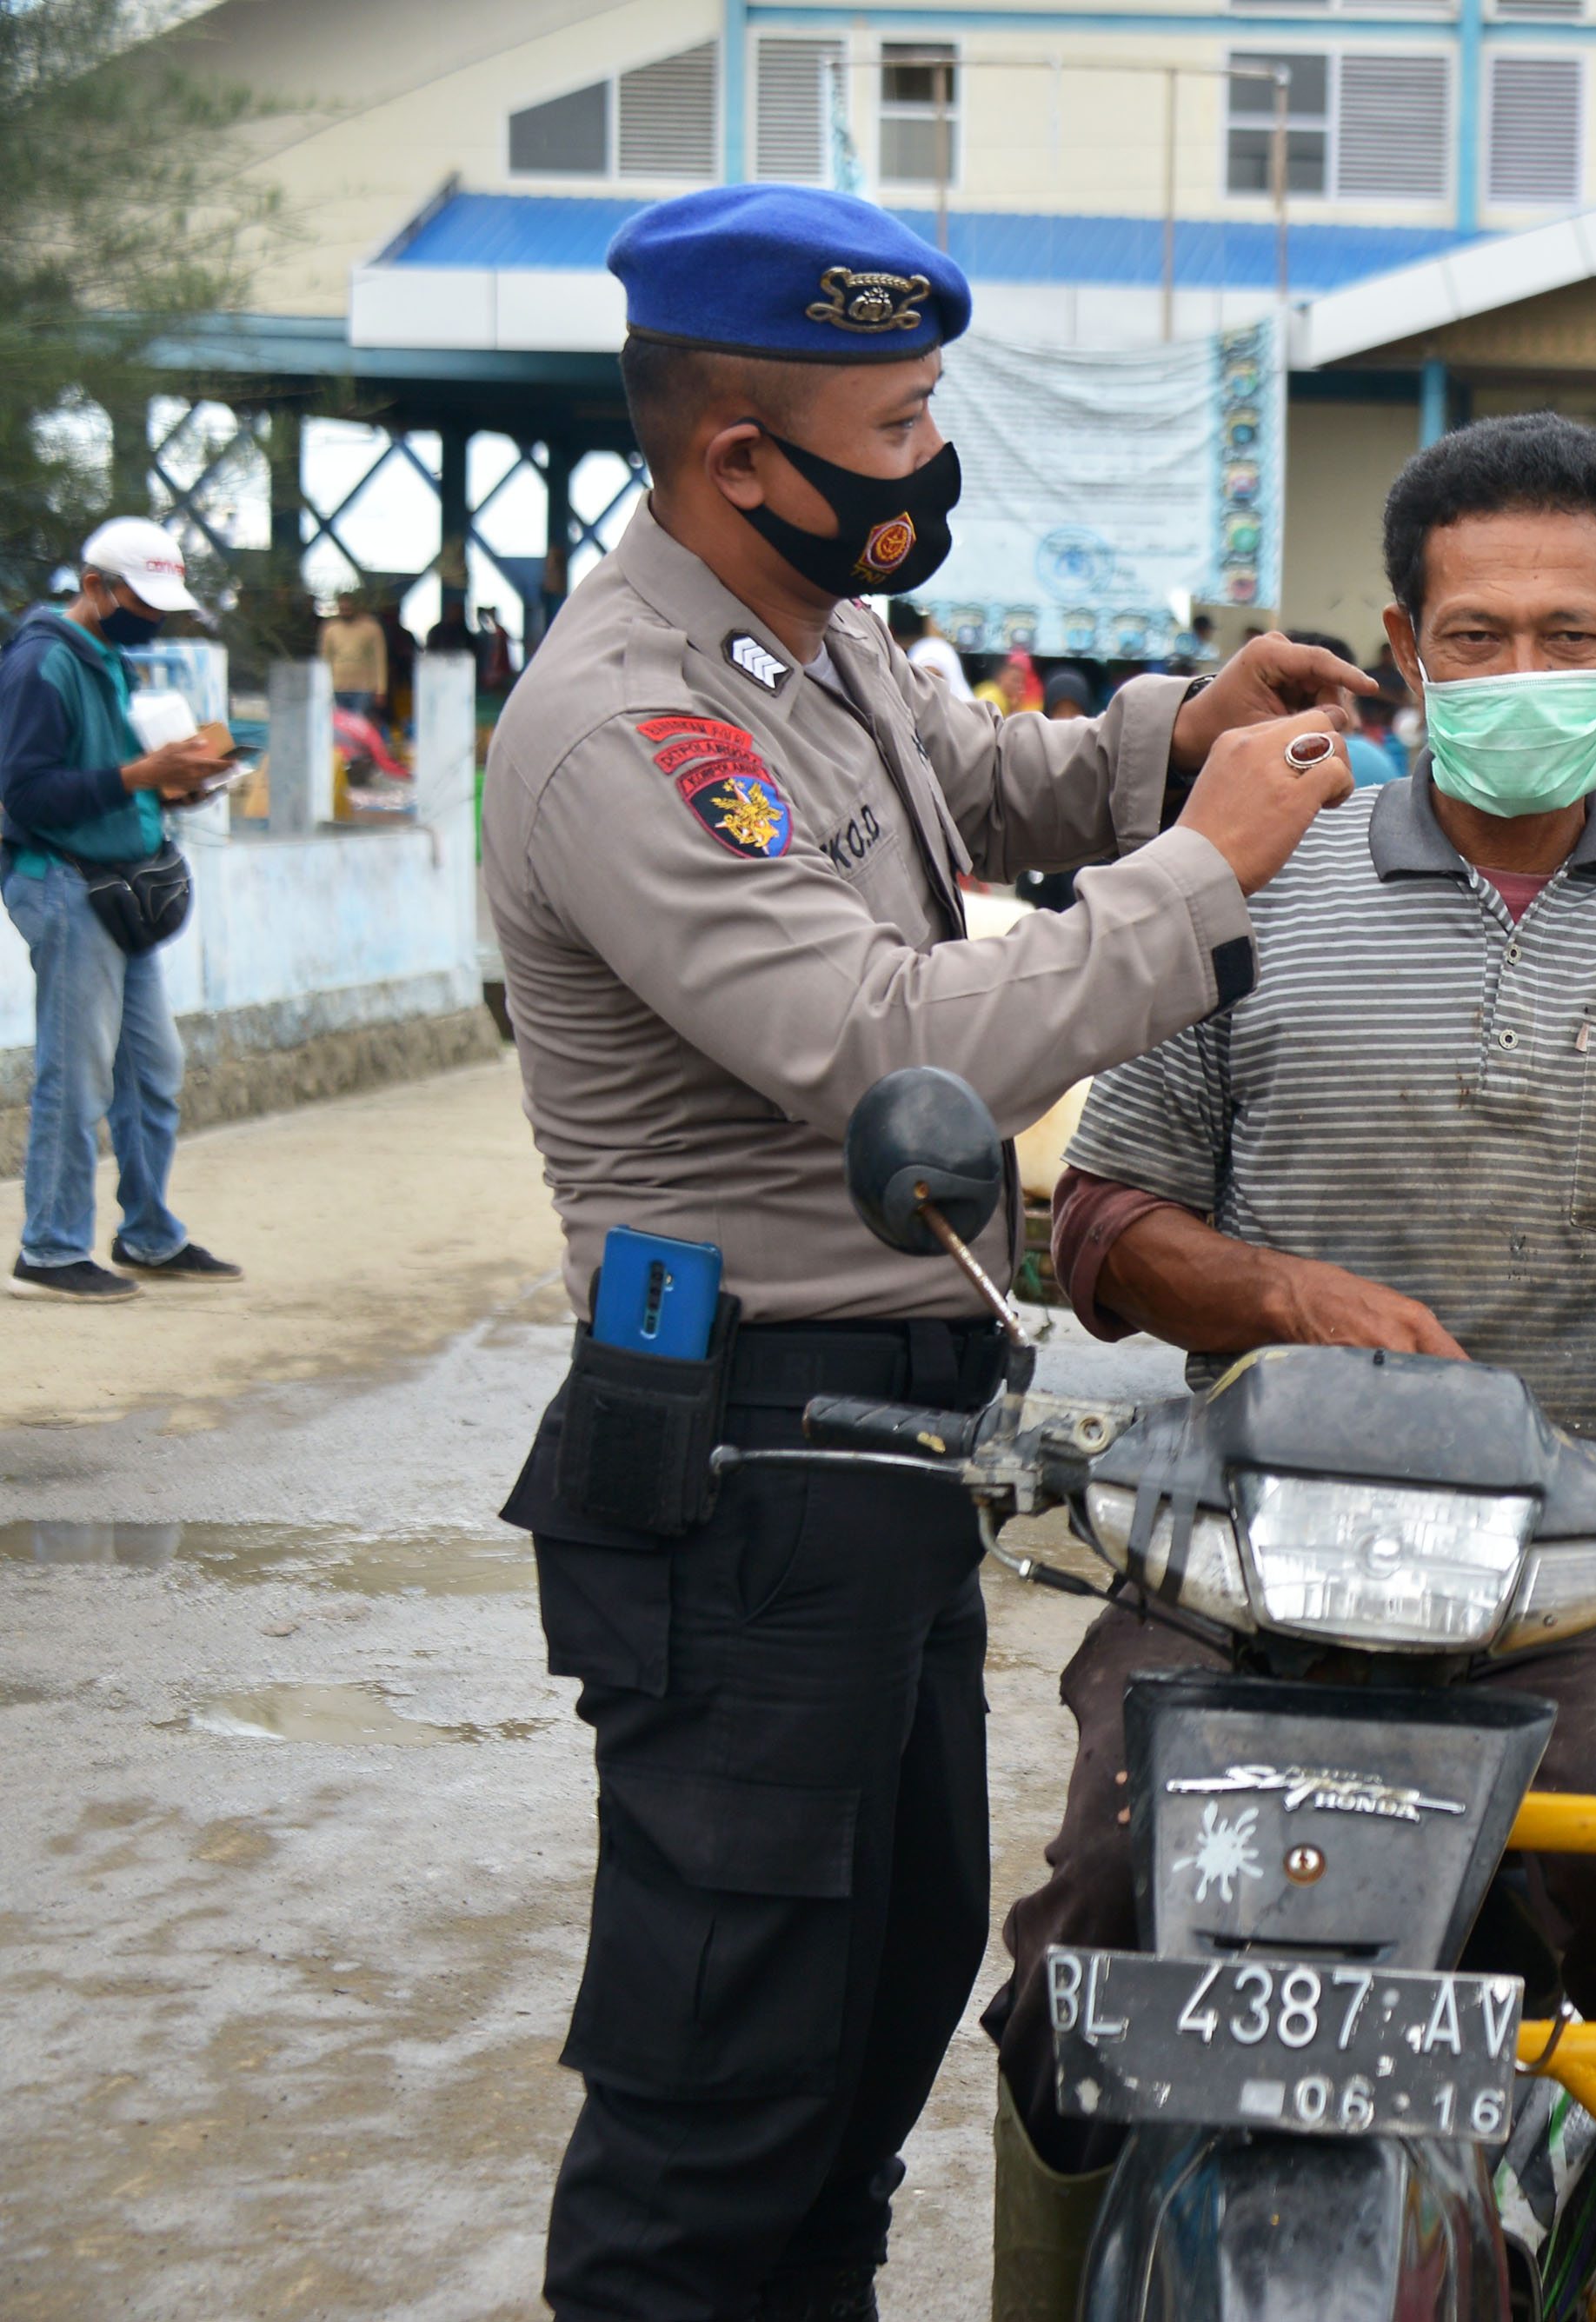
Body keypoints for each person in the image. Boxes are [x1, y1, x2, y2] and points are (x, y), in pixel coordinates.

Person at [981, 413, 1596, 2314]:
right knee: (1087, 1951)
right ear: (1399, 642)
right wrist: (1281, 1295)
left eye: (1563, 635)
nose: (1519, 672)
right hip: (1252, 1564)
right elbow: (1102, 1231)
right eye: (1475, 634)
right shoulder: (1253, 885)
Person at [481, 183, 1362, 2322]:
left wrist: (1168, 731)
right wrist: (1199, 865)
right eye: (899, 419)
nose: (930, 455)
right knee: (723, 2092)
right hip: (745, 1463)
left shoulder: (811, 632)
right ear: (738, 458)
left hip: (875, 1454)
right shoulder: (627, 724)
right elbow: (890, 1041)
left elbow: (969, 782)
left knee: (862, 2051)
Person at [3, 517, 243, 1301]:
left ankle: (148, 1230)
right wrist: (142, 776)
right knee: (75, 1076)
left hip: (116, 884)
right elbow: (27, 791)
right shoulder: (43, 663)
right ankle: (49, 1246)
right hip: (66, 883)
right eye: (142, 600)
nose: (154, 617)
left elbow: (106, 775)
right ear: (97, 587)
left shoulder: (104, 657)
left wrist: (176, 782)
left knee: (151, 1069)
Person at [318, 590, 389, 718]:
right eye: (343, 608)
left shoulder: (371, 628)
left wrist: (381, 689)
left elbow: (380, 659)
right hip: (338, 686)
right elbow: (324, 660)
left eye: (348, 607)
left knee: (359, 723)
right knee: (342, 726)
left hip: (364, 687)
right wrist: (322, 687)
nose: (346, 610)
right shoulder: (330, 629)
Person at [885, 595, 970, 697]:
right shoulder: (900, 711)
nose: (931, 684)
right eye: (923, 676)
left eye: (937, 676)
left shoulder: (969, 712)